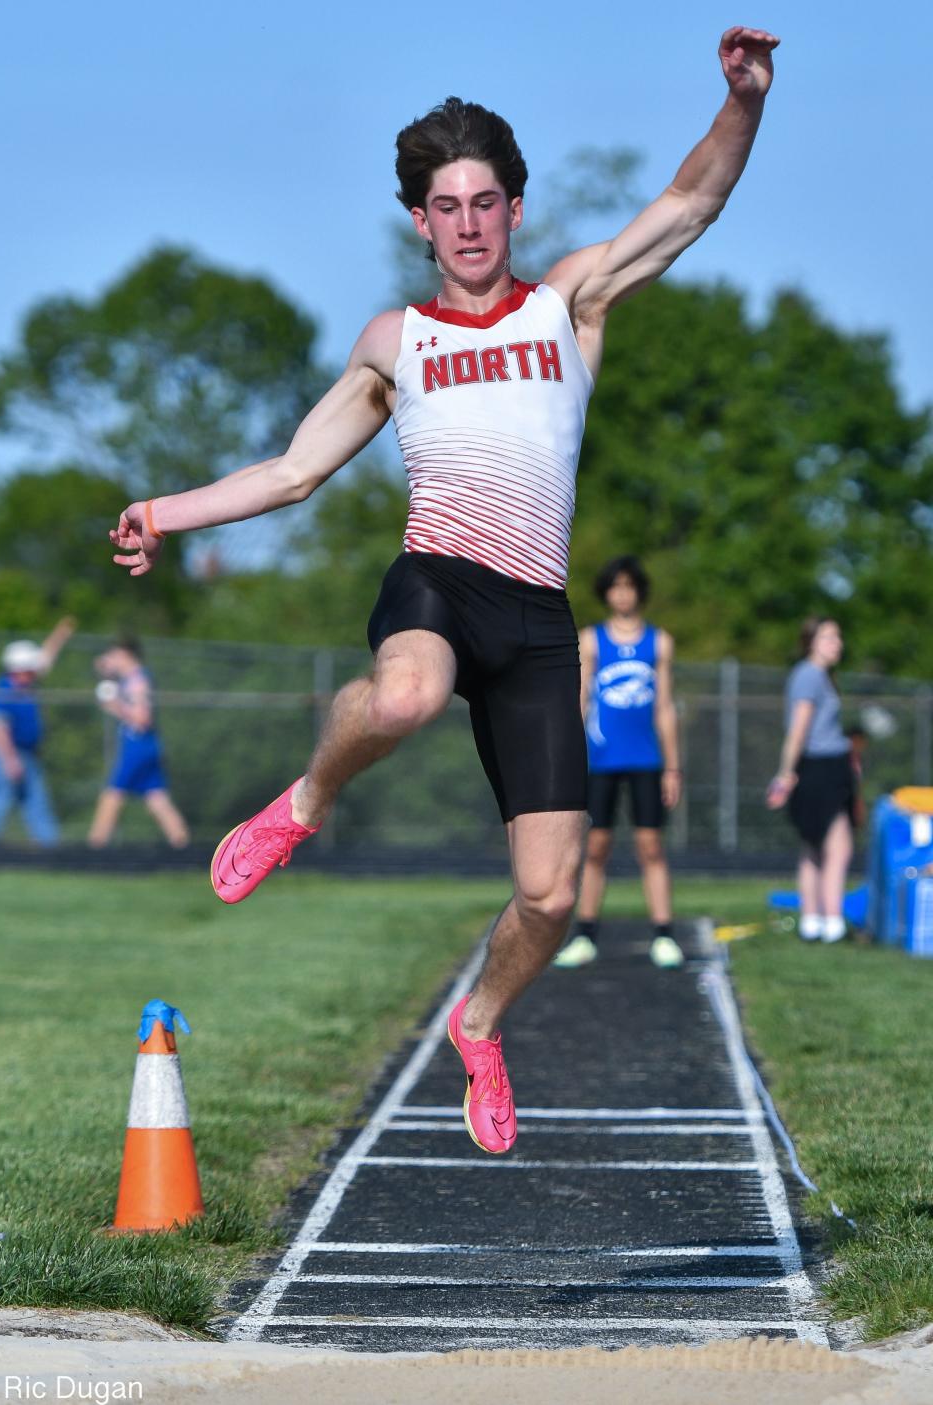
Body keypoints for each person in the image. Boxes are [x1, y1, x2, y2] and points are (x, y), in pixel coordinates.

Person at [110, 26, 779, 1153]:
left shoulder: (566, 305)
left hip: (533, 619)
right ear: (419, 221)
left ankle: (479, 1025)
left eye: (486, 201)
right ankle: (304, 807)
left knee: (553, 894)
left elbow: (688, 205)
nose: (468, 224)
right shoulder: (396, 340)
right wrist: (162, 512)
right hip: (437, 578)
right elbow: (292, 470)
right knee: (407, 695)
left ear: (514, 207)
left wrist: (745, 103)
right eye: (446, 205)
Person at [554, 556, 683, 970]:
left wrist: (673, 766)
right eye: (615, 587)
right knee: (596, 847)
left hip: (646, 758)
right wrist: (571, 753)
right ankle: (586, 934)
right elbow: (581, 698)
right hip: (601, 759)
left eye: (629, 586)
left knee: (650, 846)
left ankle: (664, 934)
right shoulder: (591, 639)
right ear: (606, 593)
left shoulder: (658, 642)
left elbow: (664, 706)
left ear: (639, 592)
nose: (622, 594)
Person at [767, 617, 854, 944]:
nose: (837, 643)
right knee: (836, 847)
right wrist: (786, 773)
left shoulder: (823, 677)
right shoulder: (810, 675)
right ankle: (829, 920)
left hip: (826, 766)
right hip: (819, 768)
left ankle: (813, 919)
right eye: (829, 637)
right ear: (811, 642)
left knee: (814, 847)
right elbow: (798, 730)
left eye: (838, 636)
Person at [0, 618, 76, 846]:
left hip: (27, 754)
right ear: (17, 669)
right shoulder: (4, 690)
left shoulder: (26, 685)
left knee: (36, 802)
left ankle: (51, 851)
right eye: (29, 668)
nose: (34, 671)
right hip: (5, 755)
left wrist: (60, 634)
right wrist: (10, 760)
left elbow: (46, 659)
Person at [87, 638, 190, 849]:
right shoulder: (133, 677)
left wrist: (115, 706)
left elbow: (142, 719)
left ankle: (94, 847)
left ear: (125, 654)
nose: (111, 660)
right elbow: (107, 673)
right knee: (156, 798)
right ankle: (181, 843)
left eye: (114, 655)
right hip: (147, 745)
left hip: (138, 746)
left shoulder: (137, 680)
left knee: (112, 794)